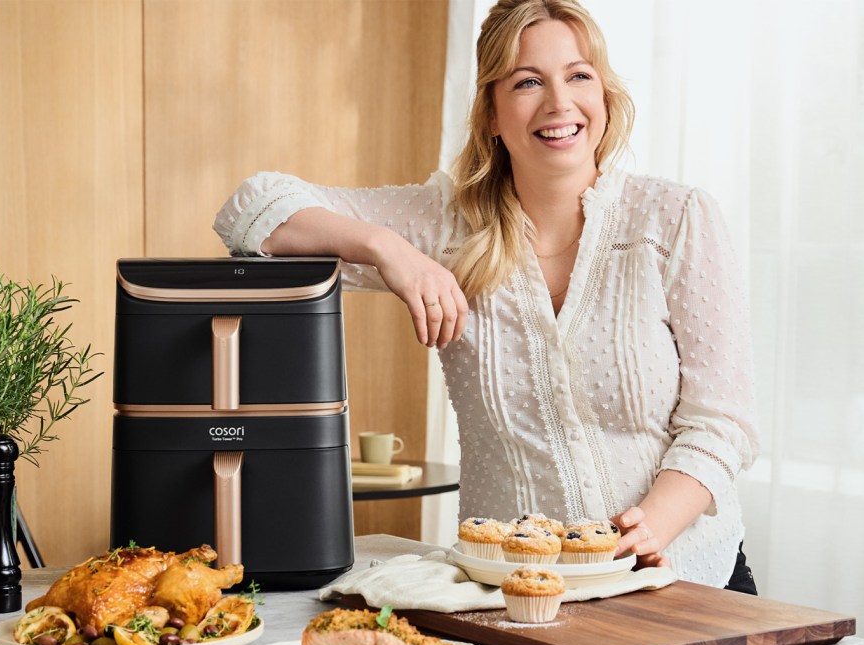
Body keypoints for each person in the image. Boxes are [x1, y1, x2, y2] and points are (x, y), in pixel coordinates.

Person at [214, 0, 759, 593]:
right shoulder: (445, 226)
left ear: (604, 95)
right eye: (528, 82)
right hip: (510, 588)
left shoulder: (676, 219)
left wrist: (647, 531)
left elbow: (721, 422)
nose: (559, 103)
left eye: (579, 75)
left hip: (681, 578)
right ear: (493, 114)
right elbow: (251, 212)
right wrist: (387, 249)